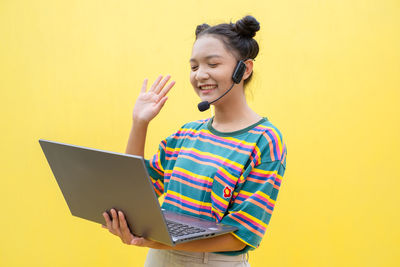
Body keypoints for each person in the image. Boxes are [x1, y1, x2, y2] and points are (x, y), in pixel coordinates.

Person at [102, 15, 287, 267]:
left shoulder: (264, 140)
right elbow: (134, 192)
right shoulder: (185, 135)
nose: (201, 75)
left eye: (212, 64)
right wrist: (139, 123)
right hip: (160, 258)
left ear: (244, 69)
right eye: (194, 67)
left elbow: (241, 236)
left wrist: (157, 240)